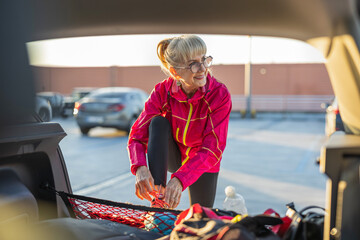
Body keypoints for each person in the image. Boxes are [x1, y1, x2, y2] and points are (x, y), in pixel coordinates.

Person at [127, 34, 232, 209]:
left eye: (204, 59)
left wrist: (179, 180)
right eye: (193, 64)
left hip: (202, 160)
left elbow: (213, 148)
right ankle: (159, 200)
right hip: (173, 154)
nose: (202, 69)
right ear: (175, 71)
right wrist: (139, 168)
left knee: (200, 218)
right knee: (157, 123)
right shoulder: (162, 91)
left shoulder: (219, 94)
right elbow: (137, 136)